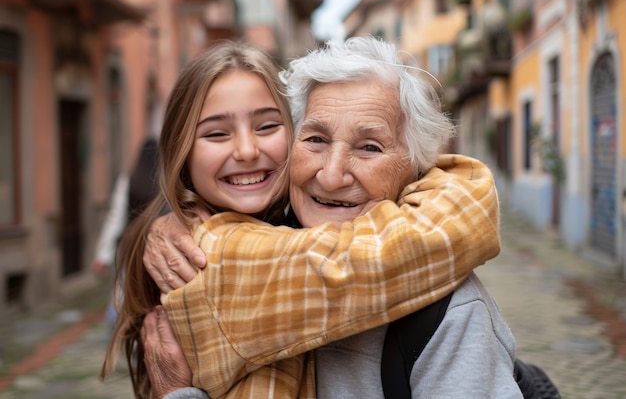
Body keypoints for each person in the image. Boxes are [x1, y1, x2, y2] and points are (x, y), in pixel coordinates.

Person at [140, 37, 517, 398]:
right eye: (316, 140)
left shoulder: (448, 314)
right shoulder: (188, 264)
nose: (331, 175)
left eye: (370, 147)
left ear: (416, 170)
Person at [101, 40, 294, 397]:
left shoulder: (329, 222)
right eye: (216, 133)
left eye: (267, 126)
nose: (248, 151)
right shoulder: (171, 262)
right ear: (182, 150)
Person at [92, 137, 160, 330]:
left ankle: (121, 327)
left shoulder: (129, 180)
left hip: (131, 245)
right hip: (158, 243)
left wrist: (102, 256)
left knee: (124, 288)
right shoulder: (165, 181)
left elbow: (116, 218)